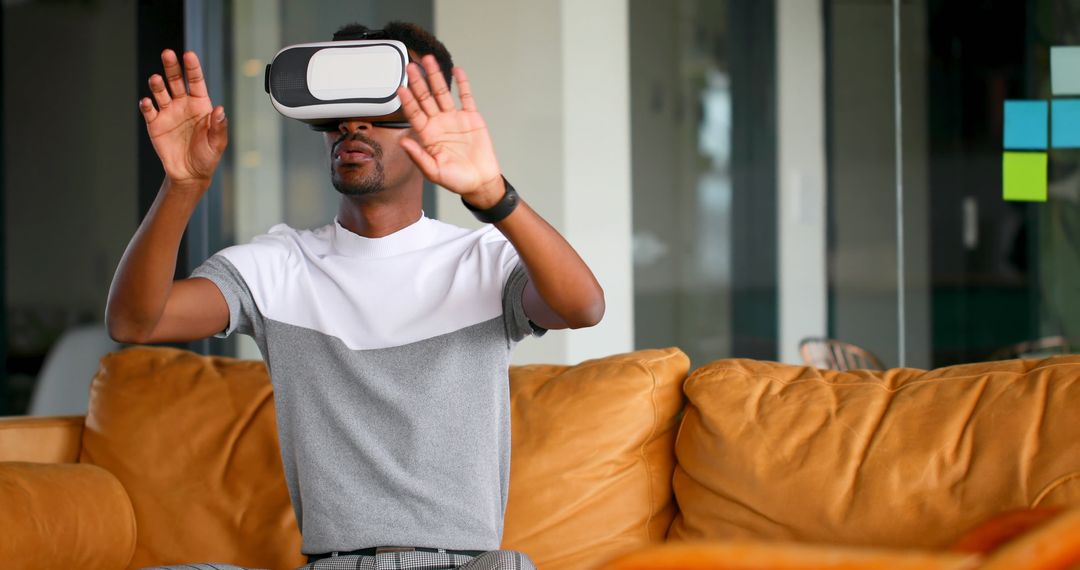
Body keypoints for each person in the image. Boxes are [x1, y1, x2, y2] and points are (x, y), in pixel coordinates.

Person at [106, 21, 604, 570]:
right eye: (340, 107)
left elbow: (582, 307)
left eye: (382, 102)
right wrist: (183, 187)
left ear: (429, 119)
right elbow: (136, 323)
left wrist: (492, 195)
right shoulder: (280, 266)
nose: (353, 122)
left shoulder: (483, 260)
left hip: (469, 564)